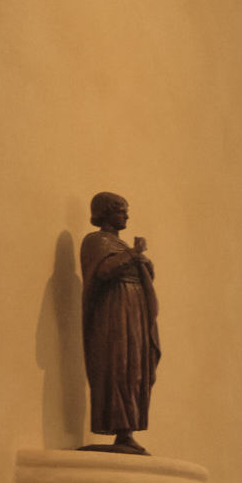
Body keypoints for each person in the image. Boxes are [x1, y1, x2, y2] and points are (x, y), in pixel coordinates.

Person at [76, 191, 161, 450]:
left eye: (126, 210)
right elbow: (104, 271)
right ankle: (120, 426)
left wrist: (142, 260)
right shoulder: (95, 241)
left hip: (135, 309)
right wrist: (135, 256)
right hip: (114, 310)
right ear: (105, 212)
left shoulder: (123, 246)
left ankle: (127, 431)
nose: (126, 215)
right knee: (118, 364)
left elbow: (146, 273)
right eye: (121, 210)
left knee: (136, 368)